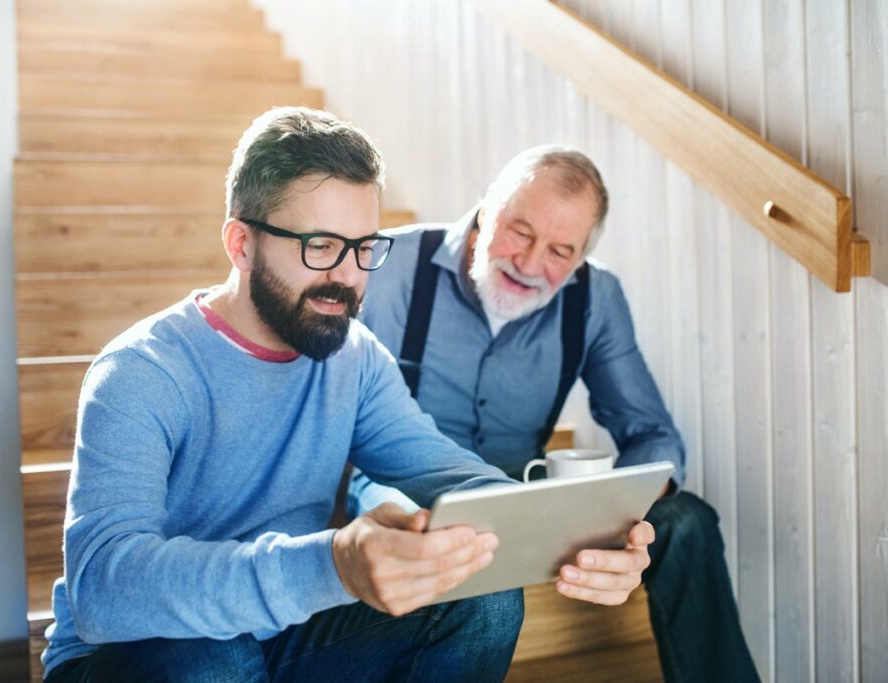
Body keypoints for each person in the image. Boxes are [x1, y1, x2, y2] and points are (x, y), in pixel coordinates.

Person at [39, 108, 655, 682]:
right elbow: (104, 589)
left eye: (363, 249)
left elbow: (453, 476)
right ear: (241, 244)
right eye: (321, 246)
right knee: (213, 654)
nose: (347, 277)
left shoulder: (354, 358)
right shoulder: (142, 372)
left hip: (282, 633)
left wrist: (577, 534)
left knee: (482, 595)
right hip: (130, 654)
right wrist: (332, 565)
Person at [349, 145, 761, 683]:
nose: (529, 264)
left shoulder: (596, 296)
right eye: (520, 231)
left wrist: (626, 505)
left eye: (559, 252)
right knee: (435, 545)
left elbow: (650, 433)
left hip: (525, 493)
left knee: (687, 522)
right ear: (486, 207)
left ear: (581, 257)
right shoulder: (389, 264)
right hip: (403, 489)